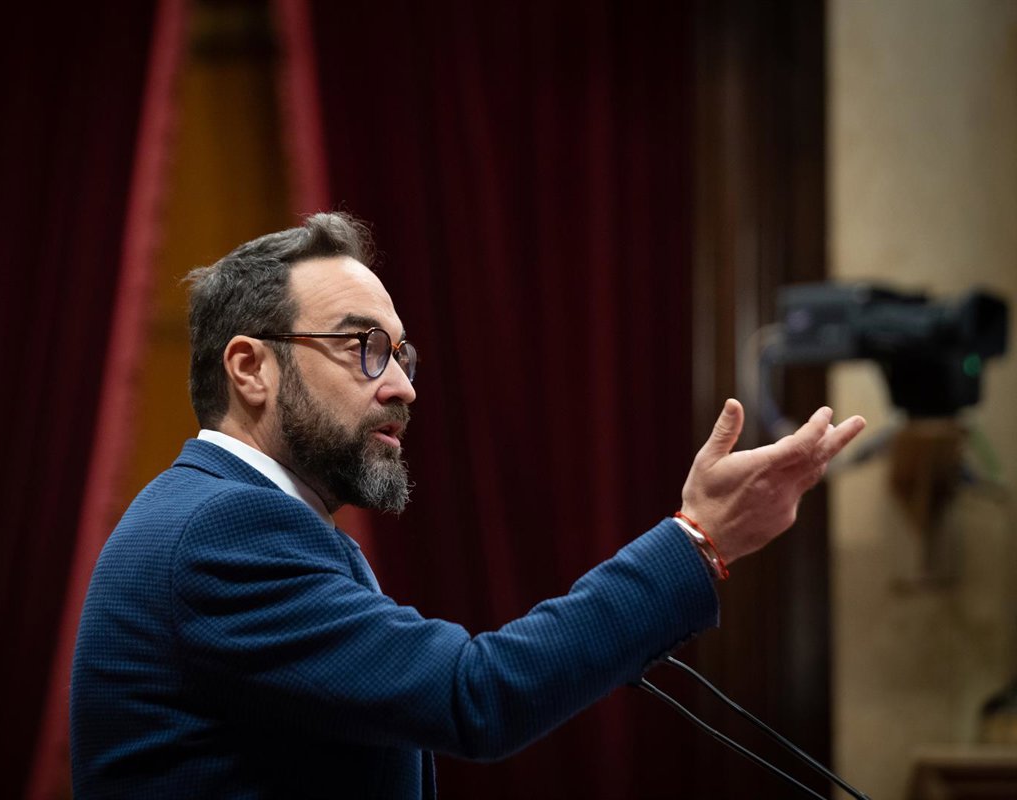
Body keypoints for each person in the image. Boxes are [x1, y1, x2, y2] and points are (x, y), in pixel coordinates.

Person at [69, 212, 865, 798]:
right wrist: (696, 540)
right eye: (362, 348)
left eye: (401, 354)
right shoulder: (222, 530)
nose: (402, 386)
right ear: (250, 368)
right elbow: (474, 696)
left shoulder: (242, 519)